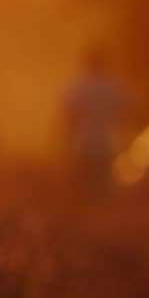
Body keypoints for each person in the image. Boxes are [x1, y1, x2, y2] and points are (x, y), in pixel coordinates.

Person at [64, 47, 129, 195]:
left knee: (82, 193)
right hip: (105, 147)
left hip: (82, 146)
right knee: (103, 193)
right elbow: (125, 116)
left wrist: (65, 146)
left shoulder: (78, 87)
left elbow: (69, 119)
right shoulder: (114, 87)